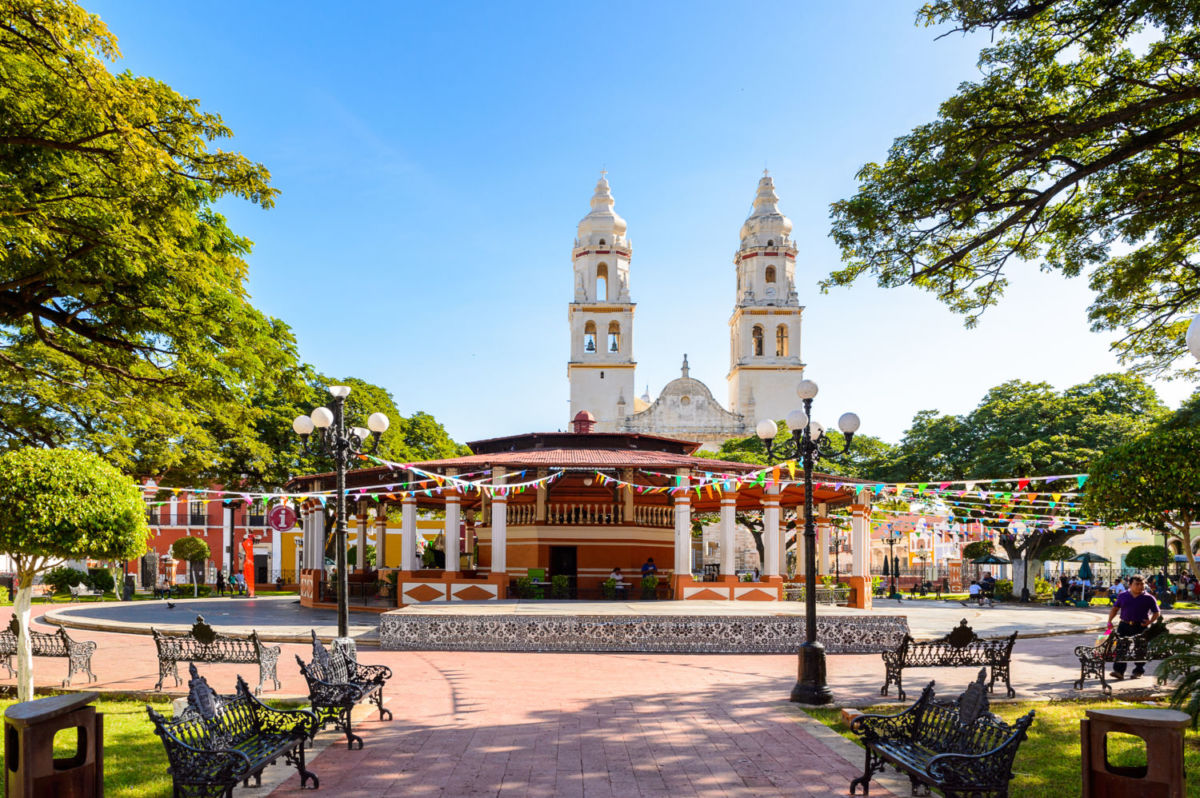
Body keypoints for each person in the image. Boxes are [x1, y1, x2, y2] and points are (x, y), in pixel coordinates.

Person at [1106, 575, 1162, 680]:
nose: (1140, 586)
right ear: (1130, 585)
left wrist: (1150, 621)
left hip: (1141, 626)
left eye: (1142, 584)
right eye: (1137, 584)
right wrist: (1109, 621)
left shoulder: (1149, 597)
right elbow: (1115, 609)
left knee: (1140, 649)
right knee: (1121, 648)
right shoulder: (1123, 595)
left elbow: (1157, 612)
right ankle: (1119, 671)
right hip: (1124, 625)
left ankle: (1138, 671)